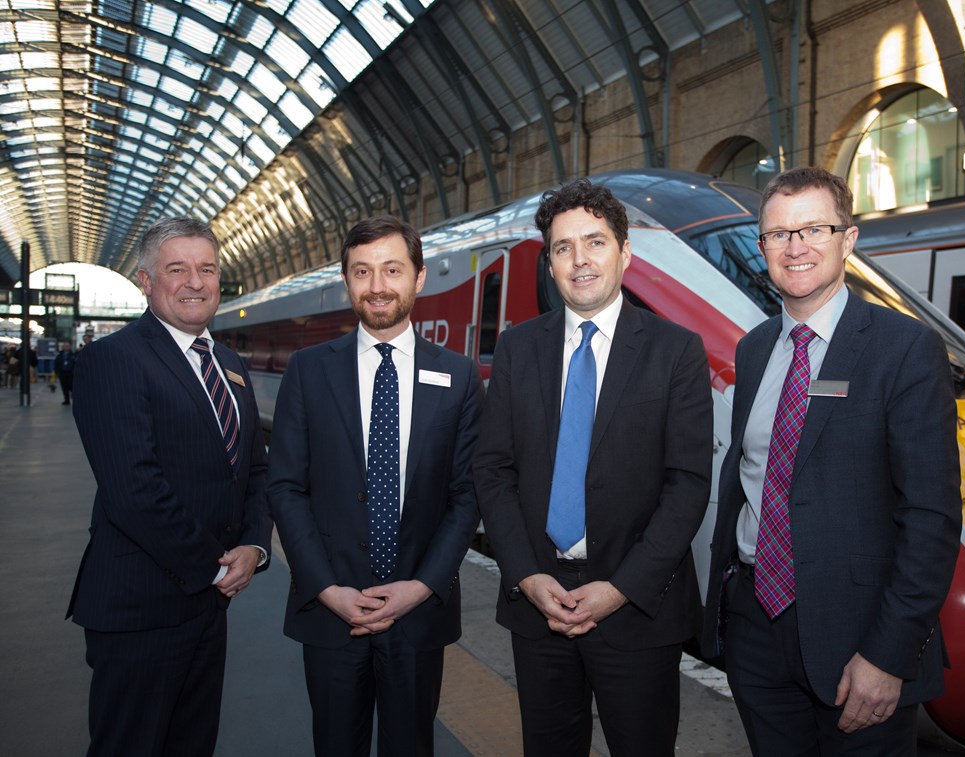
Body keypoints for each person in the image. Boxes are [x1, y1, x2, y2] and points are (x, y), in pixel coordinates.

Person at [701, 167, 962, 756]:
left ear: (849, 239)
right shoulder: (756, 346)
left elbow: (931, 518)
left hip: (859, 638)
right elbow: (749, 477)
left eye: (814, 228)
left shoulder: (904, 348)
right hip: (754, 626)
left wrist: (888, 654)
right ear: (762, 246)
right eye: (778, 234)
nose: (796, 248)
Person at [474, 178, 713, 757]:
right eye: (563, 248)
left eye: (595, 242)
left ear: (625, 253)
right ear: (550, 264)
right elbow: (492, 470)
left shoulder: (676, 350)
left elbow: (688, 485)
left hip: (637, 609)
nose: (580, 260)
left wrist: (620, 589)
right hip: (539, 603)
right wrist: (527, 576)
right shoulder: (518, 348)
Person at [268, 215, 483, 757]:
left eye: (392, 269)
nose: (378, 285)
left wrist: (422, 586)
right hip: (331, 611)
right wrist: (324, 587)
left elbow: (467, 495)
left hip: (418, 614)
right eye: (362, 272)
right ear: (346, 281)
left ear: (419, 278)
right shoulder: (308, 369)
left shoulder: (458, 377)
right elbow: (286, 487)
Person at [67, 217, 272, 757]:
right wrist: (215, 567)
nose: (194, 282)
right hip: (141, 609)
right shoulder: (112, 361)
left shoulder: (230, 365)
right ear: (145, 281)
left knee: (192, 744)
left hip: (207, 606)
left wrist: (253, 546)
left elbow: (253, 469)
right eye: (176, 268)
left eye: (206, 269)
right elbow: (135, 491)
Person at [55, 340, 75, 404]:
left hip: (71, 373)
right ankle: (66, 400)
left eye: (67, 346)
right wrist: (57, 372)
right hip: (62, 373)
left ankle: (74, 398)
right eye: (65, 346)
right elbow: (57, 364)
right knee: (64, 387)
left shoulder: (73, 355)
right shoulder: (60, 355)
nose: (66, 347)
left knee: (71, 386)